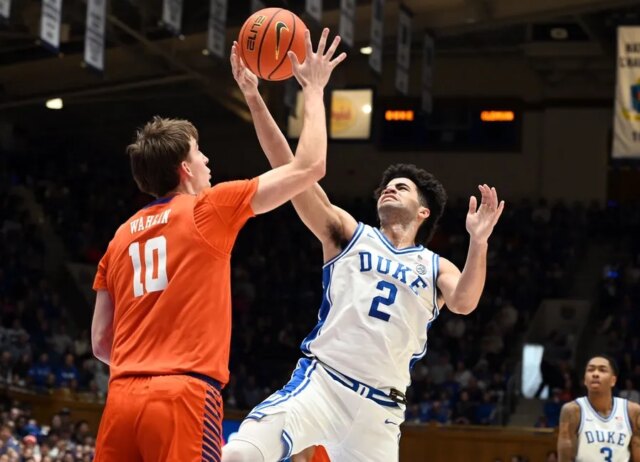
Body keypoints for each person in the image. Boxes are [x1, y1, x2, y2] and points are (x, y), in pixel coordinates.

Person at [223, 38, 504, 462]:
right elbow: (290, 169)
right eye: (386, 186)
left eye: (401, 187)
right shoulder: (349, 234)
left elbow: (464, 302)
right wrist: (253, 98)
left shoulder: (435, 266)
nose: (389, 188)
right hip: (322, 385)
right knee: (240, 454)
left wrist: (478, 242)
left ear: (424, 211)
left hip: (380, 412)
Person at [90, 28, 346, 461]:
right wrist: (314, 89)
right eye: (199, 153)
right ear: (185, 169)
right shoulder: (208, 209)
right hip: (184, 395)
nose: (207, 160)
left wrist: (253, 96)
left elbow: (101, 343)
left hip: (120, 399)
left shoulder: (119, 238)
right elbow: (310, 166)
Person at [557, 355, 640, 462]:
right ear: (585, 380)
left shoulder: (632, 411)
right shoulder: (572, 411)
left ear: (613, 380)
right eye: (590, 370)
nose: (595, 374)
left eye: (602, 370)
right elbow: (565, 458)